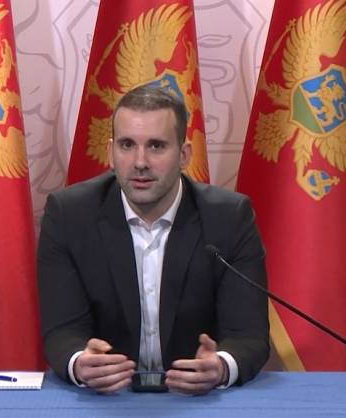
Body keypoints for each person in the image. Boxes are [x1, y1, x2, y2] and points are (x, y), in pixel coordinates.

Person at [37, 85, 269, 395]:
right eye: (127, 145)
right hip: (108, 401)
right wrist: (80, 362)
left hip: (195, 402)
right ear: (110, 153)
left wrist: (222, 366)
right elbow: (62, 331)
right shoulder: (69, 216)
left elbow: (249, 335)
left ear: (184, 155)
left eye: (156, 146)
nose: (140, 162)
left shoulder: (228, 218)